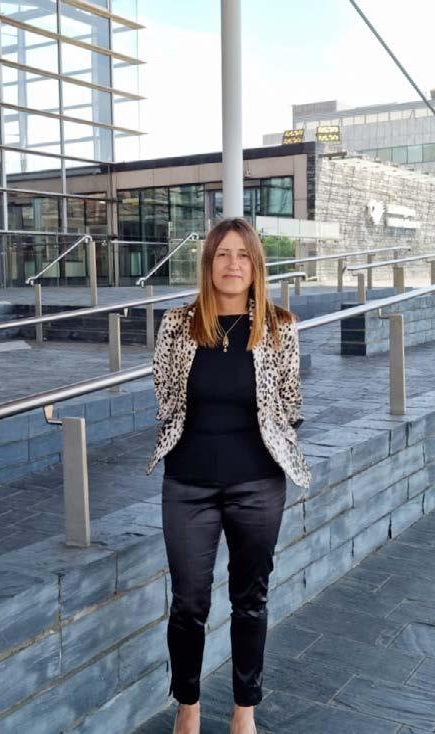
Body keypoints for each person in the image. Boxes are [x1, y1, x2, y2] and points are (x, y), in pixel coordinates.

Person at [146, 217, 311, 734]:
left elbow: (290, 401)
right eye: (222, 254)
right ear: (209, 264)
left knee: (250, 599)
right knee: (189, 601)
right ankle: (188, 705)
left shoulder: (280, 326)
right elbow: (164, 393)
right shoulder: (178, 324)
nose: (232, 264)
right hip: (188, 483)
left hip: (258, 484)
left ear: (256, 265)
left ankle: (245, 711)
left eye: (242, 254)